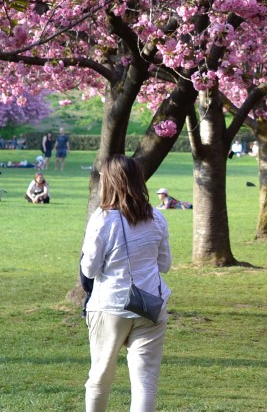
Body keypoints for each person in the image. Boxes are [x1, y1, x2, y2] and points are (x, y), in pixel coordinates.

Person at [80, 156, 171, 412]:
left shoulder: (103, 219)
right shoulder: (156, 218)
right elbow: (164, 264)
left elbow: (89, 268)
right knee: (145, 382)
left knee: (100, 376)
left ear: (109, 182)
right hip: (151, 304)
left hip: (111, 305)